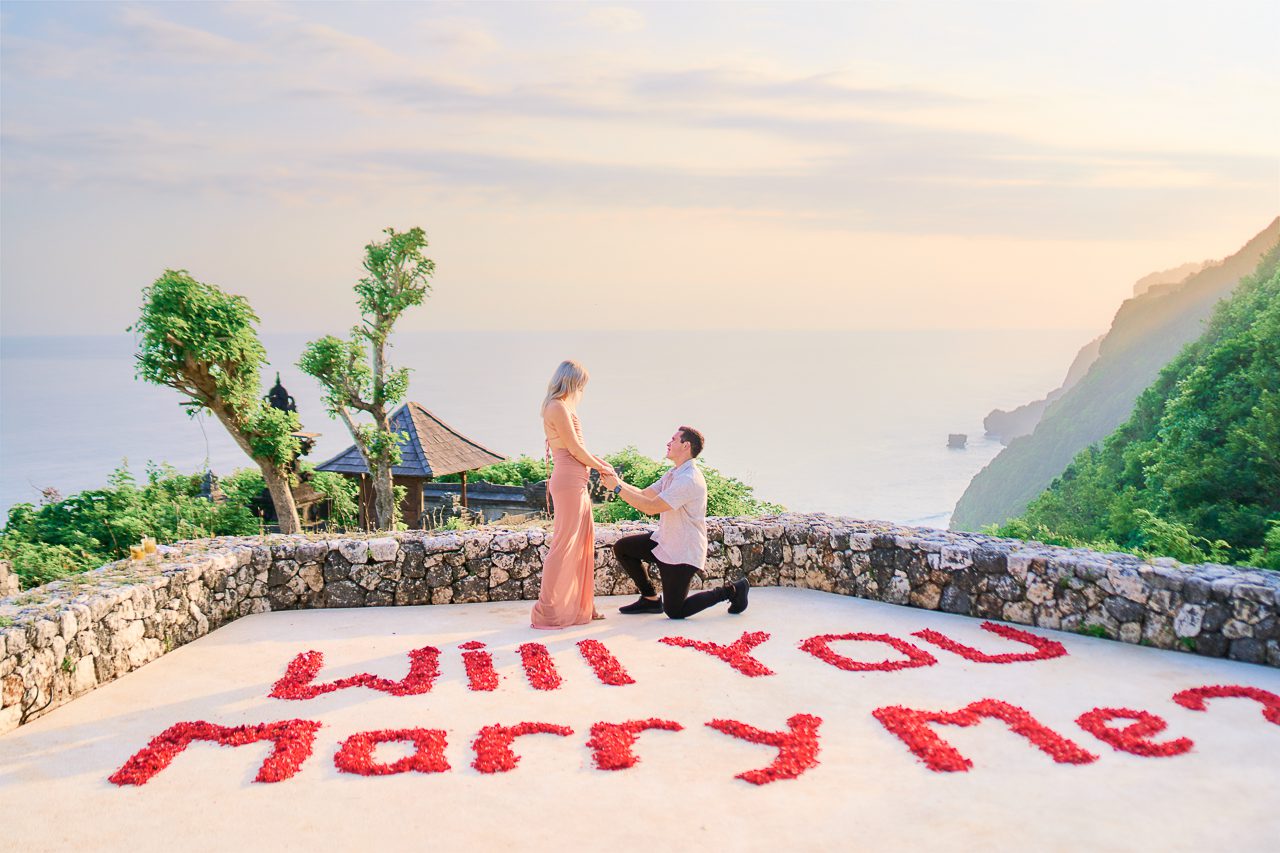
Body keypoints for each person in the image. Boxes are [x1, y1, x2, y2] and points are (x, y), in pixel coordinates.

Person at [603, 426, 749, 618]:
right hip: (665, 541)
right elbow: (644, 494)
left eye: (673, 439)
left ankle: (733, 591)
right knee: (623, 548)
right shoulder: (674, 473)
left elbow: (651, 507)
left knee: (675, 611)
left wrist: (617, 489)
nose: (668, 443)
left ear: (686, 445)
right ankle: (650, 599)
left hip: (683, 550)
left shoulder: (689, 479)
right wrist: (617, 482)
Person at [530, 360, 614, 629]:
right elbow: (575, 449)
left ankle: (582, 607)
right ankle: (549, 611)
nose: (582, 390)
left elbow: (578, 449)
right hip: (568, 482)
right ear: (572, 381)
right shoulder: (556, 407)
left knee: (581, 545)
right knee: (564, 545)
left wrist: (599, 463)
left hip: (575, 481)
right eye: (581, 384)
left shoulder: (560, 406)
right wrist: (601, 466)